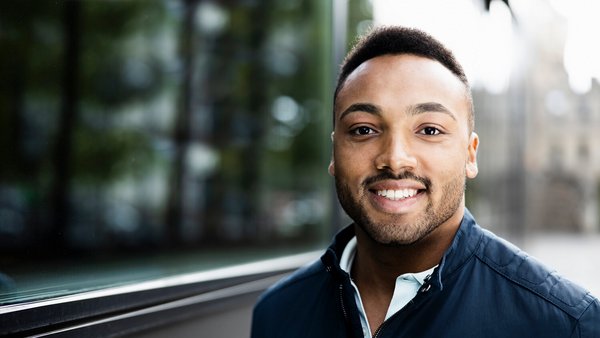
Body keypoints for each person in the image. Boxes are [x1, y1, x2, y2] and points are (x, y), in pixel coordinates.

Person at [251, 26, 600, 338]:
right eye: (363, 130)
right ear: (334, 153)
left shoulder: (566, 324)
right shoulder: (278, 313)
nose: (395, 158)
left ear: (470, 154)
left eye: (429, 130)